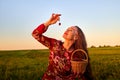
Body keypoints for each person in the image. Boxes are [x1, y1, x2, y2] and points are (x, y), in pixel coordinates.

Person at [32, 13, 94, 80]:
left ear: (76, 37)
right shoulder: (55, 44)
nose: (66, 30)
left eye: (71, 30)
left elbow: (81, 75)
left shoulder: (77, 54)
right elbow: (35, 34)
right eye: (67, 29)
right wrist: (48, 23)